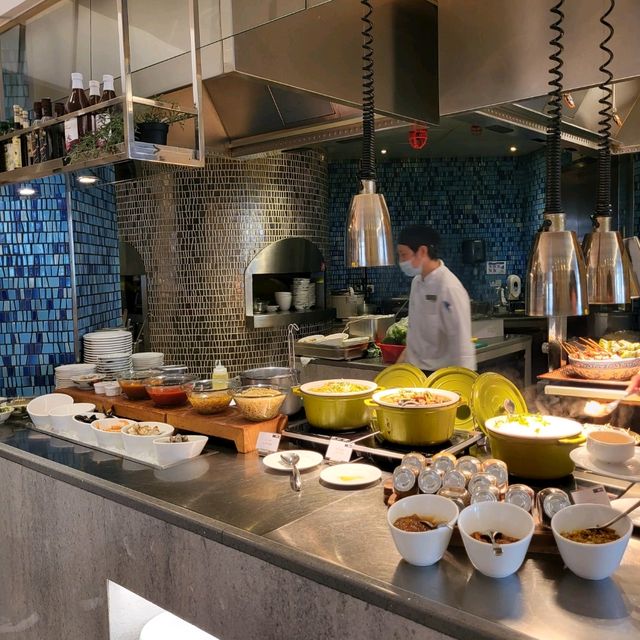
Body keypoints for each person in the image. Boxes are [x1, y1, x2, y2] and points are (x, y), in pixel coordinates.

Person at [396, 224, 477, 371]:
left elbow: (462, 345)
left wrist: (463, 380)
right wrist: (398, 368)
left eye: (403, 255)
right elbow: (415, 334)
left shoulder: (449, 287)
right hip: (415, 372)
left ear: (422, 251)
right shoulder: (417, 282)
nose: (401, 261)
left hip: (439, 375)